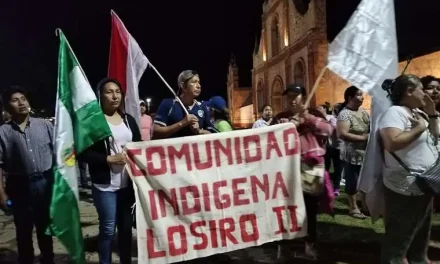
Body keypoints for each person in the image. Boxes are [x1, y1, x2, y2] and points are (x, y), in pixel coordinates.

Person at [79, 78, 141, 264]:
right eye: (109, 92)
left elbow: (139, 145)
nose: (115, 96)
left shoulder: (128, 120)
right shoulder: (93, 122)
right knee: (107, 229)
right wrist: (107, 159)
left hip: (127, 184)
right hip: (105, 185)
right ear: (100, 96)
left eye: (118, 91)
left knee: (126, 228)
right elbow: (82, 152)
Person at [271, 83, 334, 260]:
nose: (291, 99)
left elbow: (328, 130)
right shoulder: (280, 118)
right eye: (288, 96)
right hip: (286, 171)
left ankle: (310, 243)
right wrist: (286, 129)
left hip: (310, 170)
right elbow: (269, 140)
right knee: (285, 208)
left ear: (303, 98)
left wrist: (307, 118)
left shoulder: (315, 115)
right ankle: (284, 245)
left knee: (310, 209)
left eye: (295, 96)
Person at [379, 75, 438, 264]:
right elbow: (392, 142)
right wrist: (420, 128)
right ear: (409, 91)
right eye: (422, 88)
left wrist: (432, 114)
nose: (425, 93)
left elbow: (436, 137)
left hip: (425, 184)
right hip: (405, 188)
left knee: (420, 238)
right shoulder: (395, 113)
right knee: (399, 240)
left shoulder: (418, 113)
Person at [0, 86, 54, 264]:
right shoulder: (3, 132)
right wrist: (2, 194)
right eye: (15, 100)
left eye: (23, 98)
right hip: (19, 186)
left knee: (45, 229)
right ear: (8, 106)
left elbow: (61, 155)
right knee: (23, 231)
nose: (21, 103)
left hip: (45, 183)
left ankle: (48, 259)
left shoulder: (45, 125)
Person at [336, 86, 369, 219]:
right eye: (359, 95)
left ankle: (366, 205)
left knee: (366, 179)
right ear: (350, 97)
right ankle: (353, 207)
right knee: (352, 180)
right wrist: (363, 138)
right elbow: (342, 134)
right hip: (352, 153)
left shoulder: (363, 111)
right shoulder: (345, 114)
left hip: (365, 152)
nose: (362, 97)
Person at [153, 70, 217, 138]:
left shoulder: (202, 107)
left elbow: (212, 133)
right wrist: (182, 123)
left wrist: (199, 131)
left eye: (199, 82)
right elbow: (156, 132)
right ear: (183, 85)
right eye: (194, 82)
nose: (199, 86)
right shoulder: (168, 104)